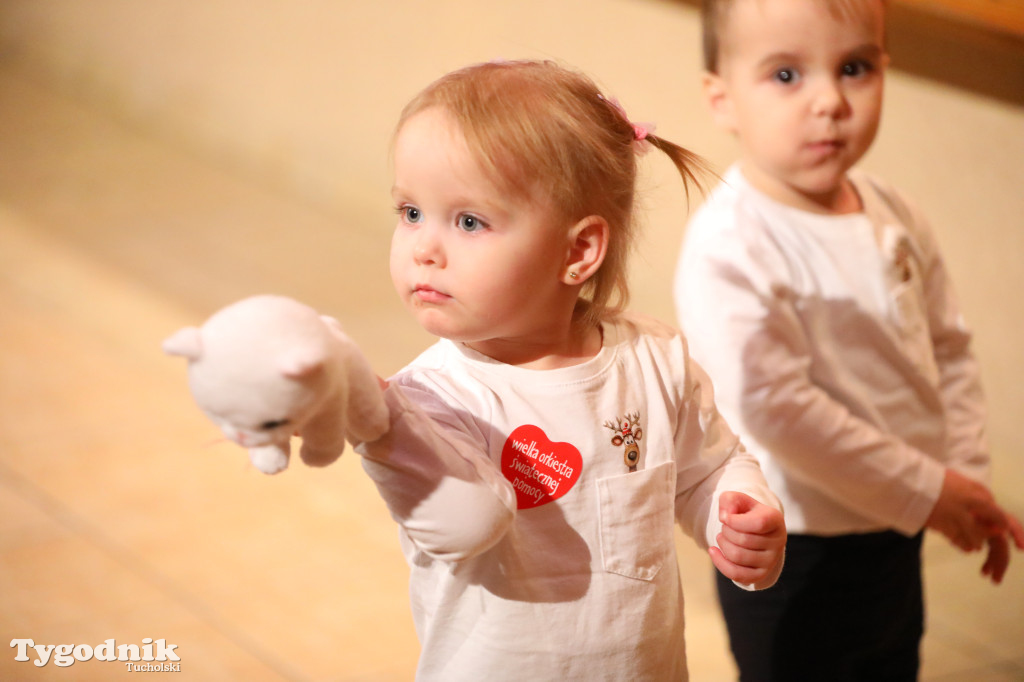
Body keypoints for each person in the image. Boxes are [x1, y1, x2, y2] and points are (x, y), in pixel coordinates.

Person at [349, 59, 786, 680]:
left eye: (468, 221)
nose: (423, 247)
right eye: (410, 212)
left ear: (578, 250)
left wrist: (737, 508)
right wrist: (375, 421)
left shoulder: (654, 362)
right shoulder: (431, 398)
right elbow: (460, 525)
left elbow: (707, 466)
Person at [673, 1, 1024, 680]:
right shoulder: (730, 245)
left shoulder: (895, 213)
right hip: (790, 542)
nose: (830, 101)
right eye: (786, 75)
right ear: (723, 99)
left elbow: (948, 349)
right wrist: (928, 489)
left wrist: (965, 481)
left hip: (891, 527)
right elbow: (777, 408)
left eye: (855, 68)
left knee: (890, 662)